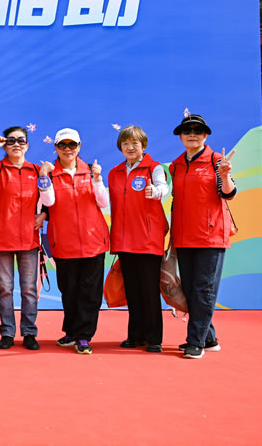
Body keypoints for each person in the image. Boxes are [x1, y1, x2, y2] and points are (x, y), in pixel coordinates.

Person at [169, 113, 236, 359]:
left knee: (204, 289)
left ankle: (195, 342)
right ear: (180, 136)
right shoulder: (176, 166)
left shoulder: (216, 161)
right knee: (189, 289)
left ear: (205, 135)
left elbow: (228, 193)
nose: (192, 134)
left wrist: (225, 175)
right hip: (184, 236)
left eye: (198, 130)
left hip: (211, 236)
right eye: (187, 131)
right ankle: (209, 339)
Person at [38, 128, 109, 355]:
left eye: (72, 145)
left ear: (79, 147)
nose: (67, 149)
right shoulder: (50, 174)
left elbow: (103, 202)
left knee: (89, 293)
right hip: (64, 243)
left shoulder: (91, 171)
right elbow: (48, 201)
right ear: (56, 148)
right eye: (62, 145)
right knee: (68, 291)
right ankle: (71, 330)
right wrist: (43, 177)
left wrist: (98, 180)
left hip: (93, 242)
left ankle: (84, 336)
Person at [0, 127, 44, 351]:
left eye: (21, 140)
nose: (16, 144)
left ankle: (29, 332)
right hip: (2, 238)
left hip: (29, 239)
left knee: (29, 289)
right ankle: (7, 332)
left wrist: (44, 214)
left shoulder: (37, 171)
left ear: (27, 145)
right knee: (5, 289)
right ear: (5, 145)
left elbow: (51, 198)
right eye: (10, 141)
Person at [108, 126, 169, 353]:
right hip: (124, 240)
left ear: (143, 145)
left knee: (149, 291)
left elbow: (163, 187)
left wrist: (157, 192)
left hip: (147, 239)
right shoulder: (114, 173)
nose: (130, 147)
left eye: (135, 143)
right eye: (125, 144)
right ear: (120, 147)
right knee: (132, 290)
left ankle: (154, 338)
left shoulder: (154, 168)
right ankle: (135, 335)